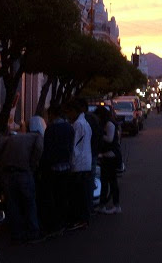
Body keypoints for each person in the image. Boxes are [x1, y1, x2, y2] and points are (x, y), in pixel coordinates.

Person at [0, 125, 43, 243]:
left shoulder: (12, 138)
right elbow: (39, 149)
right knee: (29, 203)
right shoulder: (37, 137)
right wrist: (33, 164)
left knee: (12, 204)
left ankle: (16, 233)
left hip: (6, 174)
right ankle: (33, 232)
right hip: (23, 172)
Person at [39, 105, 74, 235]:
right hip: (66, 166)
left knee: (52, 197)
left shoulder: (51, 129)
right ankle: (62, 223)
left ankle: (54, 225)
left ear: (53, 114)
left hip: (53, 167)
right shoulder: (69, 128)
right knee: (63, 196)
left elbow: (46, 149)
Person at [65, 99, 92, 230]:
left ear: (75, 111)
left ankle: (81, 220)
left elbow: (73, 146)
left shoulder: (78, 124)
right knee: (84, 193)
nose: (68, 115)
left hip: (79, 164)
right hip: (86, 162)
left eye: (69, 112)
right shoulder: (85, 123)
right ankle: (84, 219)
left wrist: (71, 163)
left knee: (78, 194)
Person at [94, 106, 121, 215]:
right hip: (107, 155)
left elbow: (109, 139)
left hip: (111, 156)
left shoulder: (110, 124)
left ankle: (116, 205)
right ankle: (102, 205)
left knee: (112, 181)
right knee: (105, 182)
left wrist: (99, 135)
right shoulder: (107, 123)